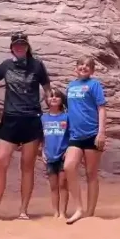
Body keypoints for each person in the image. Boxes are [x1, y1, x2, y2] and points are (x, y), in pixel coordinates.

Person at [0, 31, 52, 222]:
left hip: (31, 119)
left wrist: (53, 112)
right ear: (12, 48)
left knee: (27, 166)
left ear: (27, 46)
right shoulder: (5, 66)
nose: (20, 47)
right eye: (16, 45)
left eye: (23, 44)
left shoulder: (37, 66)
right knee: (0, 162)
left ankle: (23, 210)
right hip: (10, 120)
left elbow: (47, 90)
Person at [63, 56, 107, 224]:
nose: (83, 67)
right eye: (80, 64)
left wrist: (101, 132)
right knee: (69, 167)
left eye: (88, 66)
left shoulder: (94, 85)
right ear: (76, 68)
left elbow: (101, 108)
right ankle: (79, 208)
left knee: (91, 174)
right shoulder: (71, 86)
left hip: (92, 134)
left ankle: (90, 213)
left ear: (92, 70)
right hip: (75, 135)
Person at [41, 88, 70, 218]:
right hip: (50, 155)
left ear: (61, 100)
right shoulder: (43, 118)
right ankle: (55, 212)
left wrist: (69, 150)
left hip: (63, 155)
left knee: (63, 184)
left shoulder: (66, 117)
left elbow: (72, 135)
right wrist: (42, 152)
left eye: (57, 96)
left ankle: (63, 212)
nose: (53, 98)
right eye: (51, 96)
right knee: (53, 186)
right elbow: (41, 137)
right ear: (46, 100)